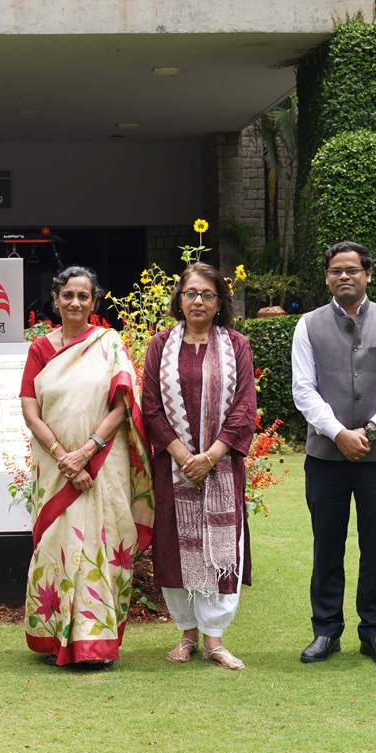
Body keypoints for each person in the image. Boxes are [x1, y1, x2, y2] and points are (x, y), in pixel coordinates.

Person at [19, 265, 154, 666]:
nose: (75, 302)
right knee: (58, 545)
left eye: (83, 296)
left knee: (102, 542)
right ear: (56, 300)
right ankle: (57, 636)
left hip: (103, 463)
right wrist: (65, 457)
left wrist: (86, 452)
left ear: (94, 302)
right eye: (68, 295)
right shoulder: (40, 349)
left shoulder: (110, 343)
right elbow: (30, 409)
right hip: (54, 465)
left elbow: (122, 403)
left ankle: (97, 641)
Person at [292, 241, 376, 666]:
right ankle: (326, 631)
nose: (343, 276)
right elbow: (303, 389)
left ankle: (374, 631)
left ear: (368, 274)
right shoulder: (307, 325)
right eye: (335, 271)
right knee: (327, 544)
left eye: (352, 270)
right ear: (326, 277)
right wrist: (338, 433)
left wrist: (370, 429)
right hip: (325, 457)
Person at [142, 263, 257, 670]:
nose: (198, 301)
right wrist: (182, 456)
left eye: (208, 295)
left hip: (221, 468)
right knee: (175, 545)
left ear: (220, 302)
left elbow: (245, 408)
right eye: (191, 293)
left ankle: (215, 638)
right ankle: (187, 634)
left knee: (220, 547)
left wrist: (210, 457)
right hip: (174, 470)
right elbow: (151, 408)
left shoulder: (236, 345)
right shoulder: (161, 344)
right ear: (179, 298)